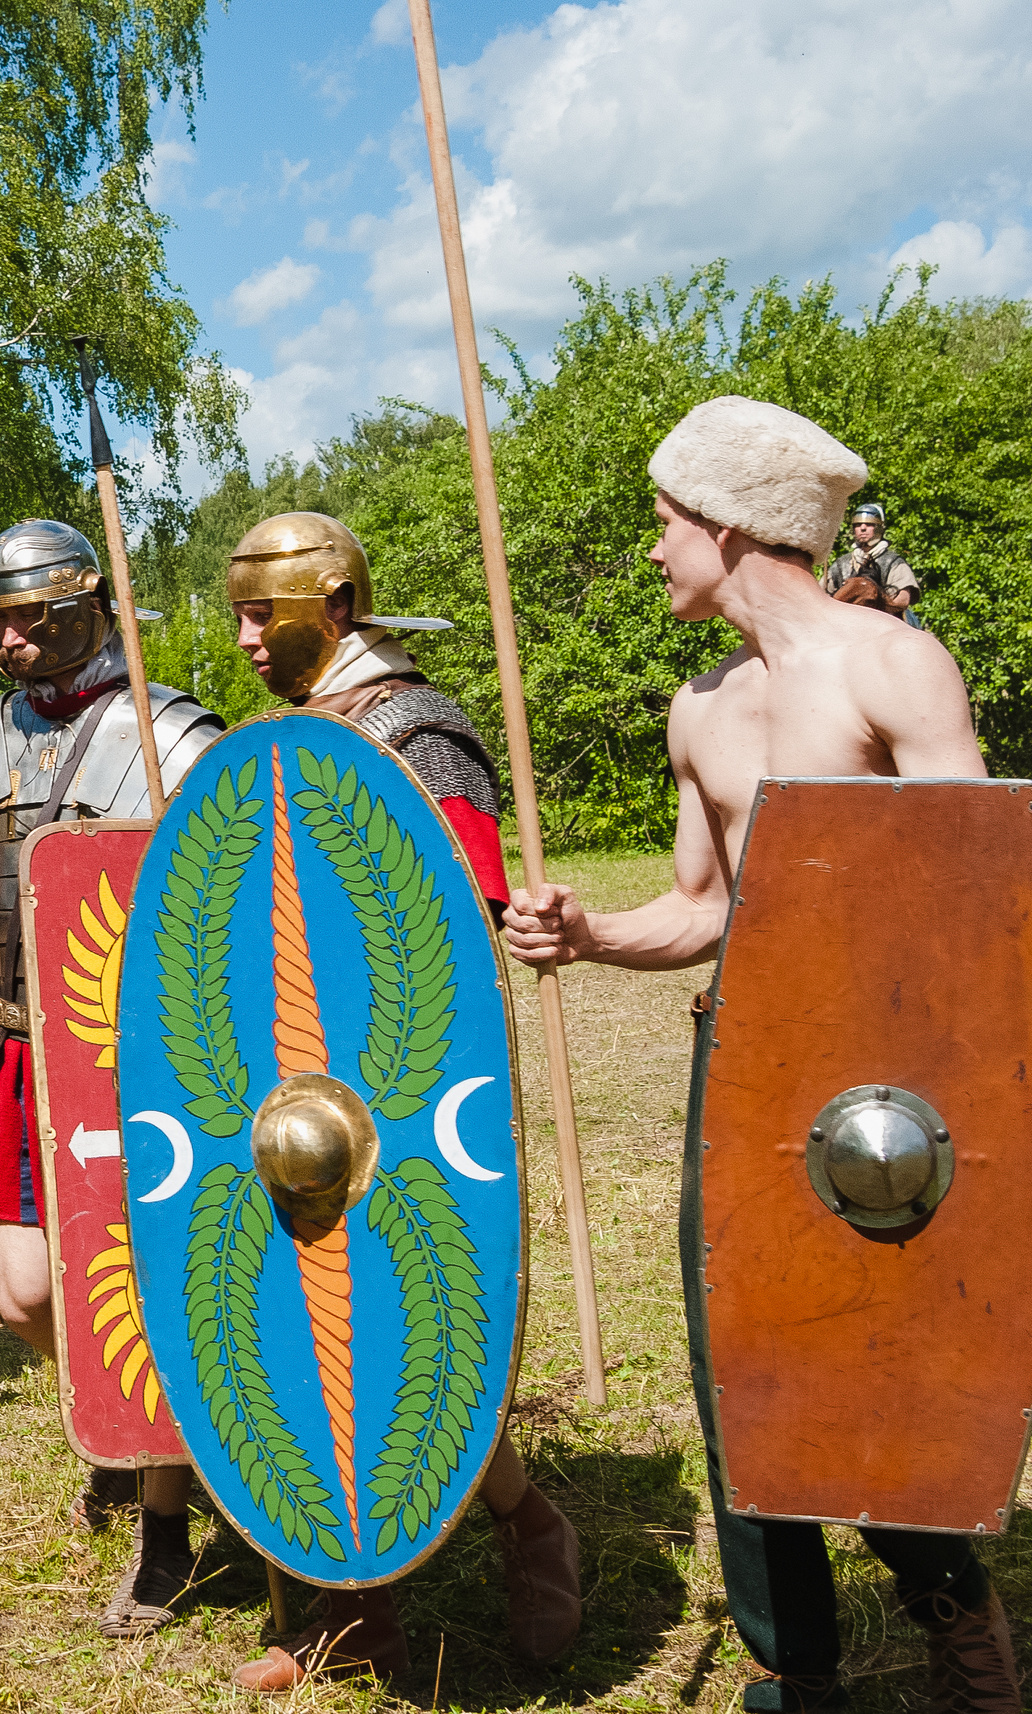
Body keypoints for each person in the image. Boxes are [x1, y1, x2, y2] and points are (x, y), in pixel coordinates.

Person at [505, 396, 1014, 1714]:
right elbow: (706, 905)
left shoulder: (893, 666)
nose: (653, 546)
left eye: (666, 519)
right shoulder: (701, 710)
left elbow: (973, 892)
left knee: (889, 1364)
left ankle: (965, 1635)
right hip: (744, 1074)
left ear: (731, 523)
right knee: (743, 1369)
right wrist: (590, 932)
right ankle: (797, 1671)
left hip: (902, 1084)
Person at [220, 511, 581, 1689]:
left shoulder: (419, 732)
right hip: (293, 1094)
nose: (240, 641)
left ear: (329, 606)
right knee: (300, 1327)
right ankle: (345, 1610)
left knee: (411, 1338)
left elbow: (455, 940)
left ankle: (531, 1524)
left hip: (402, 1098)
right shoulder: (282, 741)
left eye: (256, 614)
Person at [0, 519, 224, 1638]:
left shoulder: (168, 733)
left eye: (34, 617)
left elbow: (222, 892)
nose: (12, 639)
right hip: (25, 1045)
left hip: (139, 1056)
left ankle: (167, 1531)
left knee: (135, 1287)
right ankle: (136, 1430)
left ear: (89, 608)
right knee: (30, 1296)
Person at [822, 502, 919, 621]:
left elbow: (903, 601)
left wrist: (878, 603)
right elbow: (822, 595)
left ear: (878, 528)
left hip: (887, 621)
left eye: (869, 524)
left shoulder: (893, 561)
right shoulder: (841, 564)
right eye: (858, 525)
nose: (863, 528)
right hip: (845, 621)